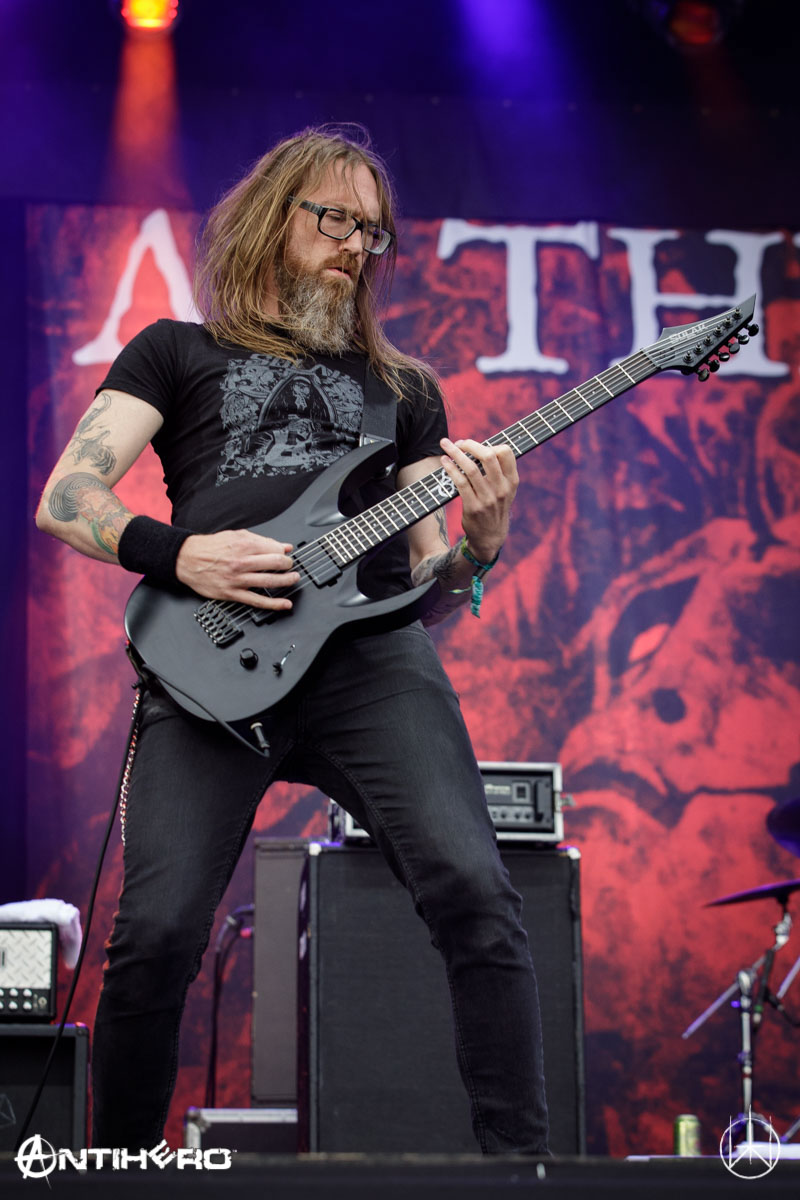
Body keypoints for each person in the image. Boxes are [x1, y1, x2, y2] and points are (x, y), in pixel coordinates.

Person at [35, 125, 549, 1155]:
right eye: (335, 220)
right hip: (209, 662)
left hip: (370, 665)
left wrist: (478, 549)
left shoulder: (404, 390)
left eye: (373, 231)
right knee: (156, 935)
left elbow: (427, 580)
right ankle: (117, 1172)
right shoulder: (175, 350)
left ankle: (521, 1168)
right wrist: (184, 555)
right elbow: (67, 496)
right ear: (277, 219)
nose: (357, 246)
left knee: (475, 892)